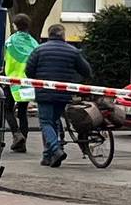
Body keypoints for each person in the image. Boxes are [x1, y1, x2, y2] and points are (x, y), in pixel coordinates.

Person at [24, 27, 91, 167]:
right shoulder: (73, 51)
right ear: (63, 35)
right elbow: (86, 71)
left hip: (44, 93)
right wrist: (74, 81)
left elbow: (28, 70)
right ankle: (48, 157)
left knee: (46, 122)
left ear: (49, 35)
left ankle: (56, 149)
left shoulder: (39, 50)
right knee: (54, 121)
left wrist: (38, 80)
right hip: (63, 93)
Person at [3, 21, 39, 154]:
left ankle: (17, 134)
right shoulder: (34, 43)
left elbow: (4, 58)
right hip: (27, 81)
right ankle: (22, 144)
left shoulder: (10, 41)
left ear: (15, 26)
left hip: (11, 80)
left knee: (7, 109)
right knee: (23, 112)